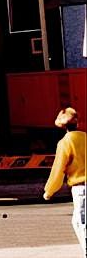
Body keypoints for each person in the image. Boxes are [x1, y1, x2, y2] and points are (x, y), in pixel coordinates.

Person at [43, 106, 86, 252]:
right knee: (76, 221)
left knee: (82, 224)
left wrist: (49, 191)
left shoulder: (65, 142)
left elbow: (58, 170)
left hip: (81, 188)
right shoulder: (85, 138)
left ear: (62, 127)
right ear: (77, 123)